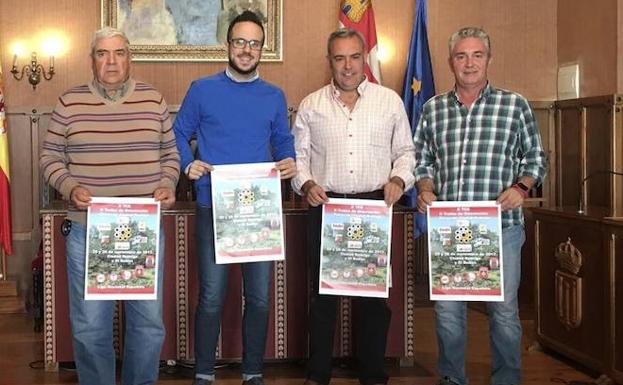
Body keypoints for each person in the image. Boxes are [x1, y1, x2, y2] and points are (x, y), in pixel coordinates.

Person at [39, 27, 180, 385]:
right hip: (88, 229)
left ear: (130, 56)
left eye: (119, 53)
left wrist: (167, 182)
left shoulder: (154, 100)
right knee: (89, 326)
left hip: (142, 230)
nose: (112, 61)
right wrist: (69, 186)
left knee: (147, 323)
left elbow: (170, 155)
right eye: (103, 54)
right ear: (93, 60)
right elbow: (50, 157)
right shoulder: (70, 102)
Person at [413, 27, 547, 385]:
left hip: (501, 228)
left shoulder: (514, 104)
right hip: (450, 233)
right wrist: (425, 188)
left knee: (503, 315)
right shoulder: (433, 109)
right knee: (447, 314)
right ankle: (452, 380)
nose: (469, 63)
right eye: (461, 56)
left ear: (489, 59)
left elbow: (535, 158)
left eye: (476, 55)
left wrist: (522, 187)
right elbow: (422, 161)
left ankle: (506, 381)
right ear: (450, 61)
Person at [173, 10, 296, 385]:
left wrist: (289, 159)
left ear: (262, 48)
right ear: (227, 45)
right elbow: (178, 133)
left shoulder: (274, 96)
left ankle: (253, 373)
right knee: (211, 296)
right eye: (240, 42)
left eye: (254, 43)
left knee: (259, 297)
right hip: (214, 206)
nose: (246, 49)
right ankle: (205, 374)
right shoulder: (201, 89)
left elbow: (283, 141)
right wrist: (187, 163)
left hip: (259, 211)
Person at [291, 28, 416, 385]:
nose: (347, 66)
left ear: (365, 58)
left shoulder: (389, 101)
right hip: (327, 206)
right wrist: (307, 183)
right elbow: (298, 158)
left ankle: (373, 374)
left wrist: (398, 180)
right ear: (329, 61)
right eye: (339, 58)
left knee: (373, 300)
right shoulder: (311, 105)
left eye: (354, 57)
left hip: (373, 207)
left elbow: (406, 153)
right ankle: (318, 375)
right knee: (323, 298)